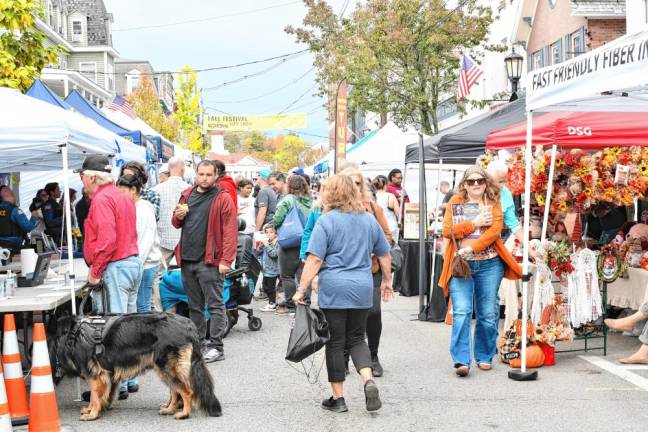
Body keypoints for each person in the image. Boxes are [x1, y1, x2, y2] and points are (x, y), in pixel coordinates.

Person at [293, 174, 392, 413]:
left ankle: (338, 399)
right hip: (362, 287)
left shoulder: (326, 222)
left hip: (334, 287)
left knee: (335, 342)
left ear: (330, 193)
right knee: (358, 338)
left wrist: (301, 289)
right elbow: (384, 254)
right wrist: (387, 281)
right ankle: (368, 380)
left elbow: (315, 258)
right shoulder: (368, 220)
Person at [439, 166, 522, 377]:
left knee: (487, 314)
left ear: (486, 183)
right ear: (464, 184)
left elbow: (494, 233)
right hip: (461, 265)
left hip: (489, 264)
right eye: (471, 181)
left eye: (480, 181)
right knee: (462, 311)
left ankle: (485, 355)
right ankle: (461, 360)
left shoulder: (493, 203)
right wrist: (473, 224)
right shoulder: (455, 202)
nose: (476, 184)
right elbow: (447, 230)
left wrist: (472, 247)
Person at [78, 155, 142, 400]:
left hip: (116, 265)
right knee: (128, 327)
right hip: (130, 262)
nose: (82, 180)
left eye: (82, 175)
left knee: (113, 329)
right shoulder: (119, 196)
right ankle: (130, 378)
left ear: (92, 176)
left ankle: (119, 385)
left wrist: (95, 272)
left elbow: (107, 241)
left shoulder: (102, 199)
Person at [172, 160, 237, 363]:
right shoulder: (187, 194)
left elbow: (230, 230)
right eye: (202, 174)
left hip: (210, 260)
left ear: (216, 175)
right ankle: (198, 344)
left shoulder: (222, 198)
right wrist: (178, 215)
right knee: (195, 306)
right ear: (196, 174)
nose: (205, 178)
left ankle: (216, 346)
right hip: (188, 260)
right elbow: (175, 223)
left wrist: (226, 259)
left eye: (209, 174)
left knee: (216, 305)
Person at [343, 169, 393, 376]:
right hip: (344, 271)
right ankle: (344, 356)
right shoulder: (333, 209)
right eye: (349, 182)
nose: (354, 187)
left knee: (373, 312)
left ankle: (373, 356)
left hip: (371, 269)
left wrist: (376, 246)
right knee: (344, 315)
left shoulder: (373, 207)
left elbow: (388, 235)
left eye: (357, 183)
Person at [117, 174, 161, 313]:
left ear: (134, 190)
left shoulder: (143, 210)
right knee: (140, 303)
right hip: (140, 263)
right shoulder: (133, 207)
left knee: (142, 305)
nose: (120, 196)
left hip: (145, 264)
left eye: (123, 192)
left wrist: (136, 265)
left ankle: (145, 333)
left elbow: (145, 242)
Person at [273, 175, 313, 315]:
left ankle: (291, 306)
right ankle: (305, 304)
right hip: (307, 242)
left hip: (290, 241)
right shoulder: (311, 201)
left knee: (287, 275)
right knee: (304, 275)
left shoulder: (288, 200)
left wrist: (272, 226)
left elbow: (277, 219)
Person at [152, 157, 190, 268]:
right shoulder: (190, 190)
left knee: (158, 276)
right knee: (185, 276)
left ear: (169, 169)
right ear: (183, 170)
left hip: (162, 240)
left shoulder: (155, 190)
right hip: (184, 241)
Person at [486, 159, 522, 242]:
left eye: (504, 180)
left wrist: (529, 249)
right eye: (499, 181)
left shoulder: (505, 193)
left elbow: (514, 224)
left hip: (494, 241)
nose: (502, 185)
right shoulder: (478, 191)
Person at [0, 185, 36, 252]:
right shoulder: (15, 210)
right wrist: (34, 216)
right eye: (11, 192)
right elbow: (27, 227)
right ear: (7, 193)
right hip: (12, 245)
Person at [259, 223, 279, 312]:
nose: (268, 234)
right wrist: (260, 246)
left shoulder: (277, 243)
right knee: (265, 287)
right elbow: (258, 252)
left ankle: (272, 303)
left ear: (276, 233)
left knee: (271, 288)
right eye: (266, 232)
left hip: (273, 270)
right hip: (266, 270)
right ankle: (272, 302)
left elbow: (274, 254)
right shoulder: (267, 242)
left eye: (271, 232)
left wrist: (267, 245)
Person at [373, 175, 400, 242]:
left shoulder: (372, 197)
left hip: (376, 226)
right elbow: (398, 214)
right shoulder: (390, 196)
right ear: (386, 185)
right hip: (391, 226)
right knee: (392, 249)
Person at [254, 168, 278, 234]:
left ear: (262, 178)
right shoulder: (272, 190)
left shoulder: (263, 191)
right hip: (271, 227)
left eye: (258, 175)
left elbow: (262, 212)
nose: (257, 178)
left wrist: (257, 231)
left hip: (266, 228)